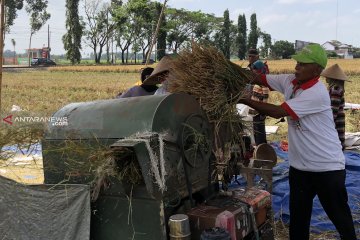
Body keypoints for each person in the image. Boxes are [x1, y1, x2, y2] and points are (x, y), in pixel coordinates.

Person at [239, 44, 356, 240]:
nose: (297, 67)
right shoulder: (290, 81)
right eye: (297, 63)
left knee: (340, 218)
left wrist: (245, 100)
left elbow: (277, 111)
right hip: (300, 169)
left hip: (326, 168)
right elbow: (260, 78)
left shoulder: (317, 93)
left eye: (303, 64)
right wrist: (231, 71)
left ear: (317, 70)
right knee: (298, 220)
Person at [321, 64, 350, 151]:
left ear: (332, 78)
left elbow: (333, 110)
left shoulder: (335, 90)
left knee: (334, 141)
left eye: (327, 76)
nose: (325, 78)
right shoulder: (337, 88)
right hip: (338, 119)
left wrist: (327, 123)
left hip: (336, 120)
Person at [247, 49, 270, 145]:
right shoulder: (253, 68)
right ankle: (260, 146)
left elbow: (263, 99)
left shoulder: (259, 65)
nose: (250, 58)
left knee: (259, 128)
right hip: (255, 104)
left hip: (259, 106)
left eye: (252, 56)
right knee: (257, 128)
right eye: (249, 56)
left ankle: (262, 147)